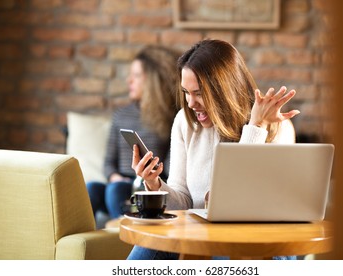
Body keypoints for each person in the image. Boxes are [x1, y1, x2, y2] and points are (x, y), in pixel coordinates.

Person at [127, 39, 301, 260]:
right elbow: (183, 204)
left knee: (219, 252)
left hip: (262, 243)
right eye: (186, 92)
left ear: (225, 90)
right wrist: (154, 183)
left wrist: (256, 127)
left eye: (199, 93)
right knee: (151, 243)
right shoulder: (186, 122)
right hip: (201, 236)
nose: (190, 103)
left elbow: (238, 201)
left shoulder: (276, 126)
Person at [86, 45, 181, 222]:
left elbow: (169, 170)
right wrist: (115, 177)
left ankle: (124, 238)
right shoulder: (120, 115)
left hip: (146, 185)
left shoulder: (172, 118)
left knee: (116, 190)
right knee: (91, 188)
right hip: (118, 184)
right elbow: (108, 162)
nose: (129, 80)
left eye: (136, 76)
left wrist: (147, 177)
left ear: (152, 80)